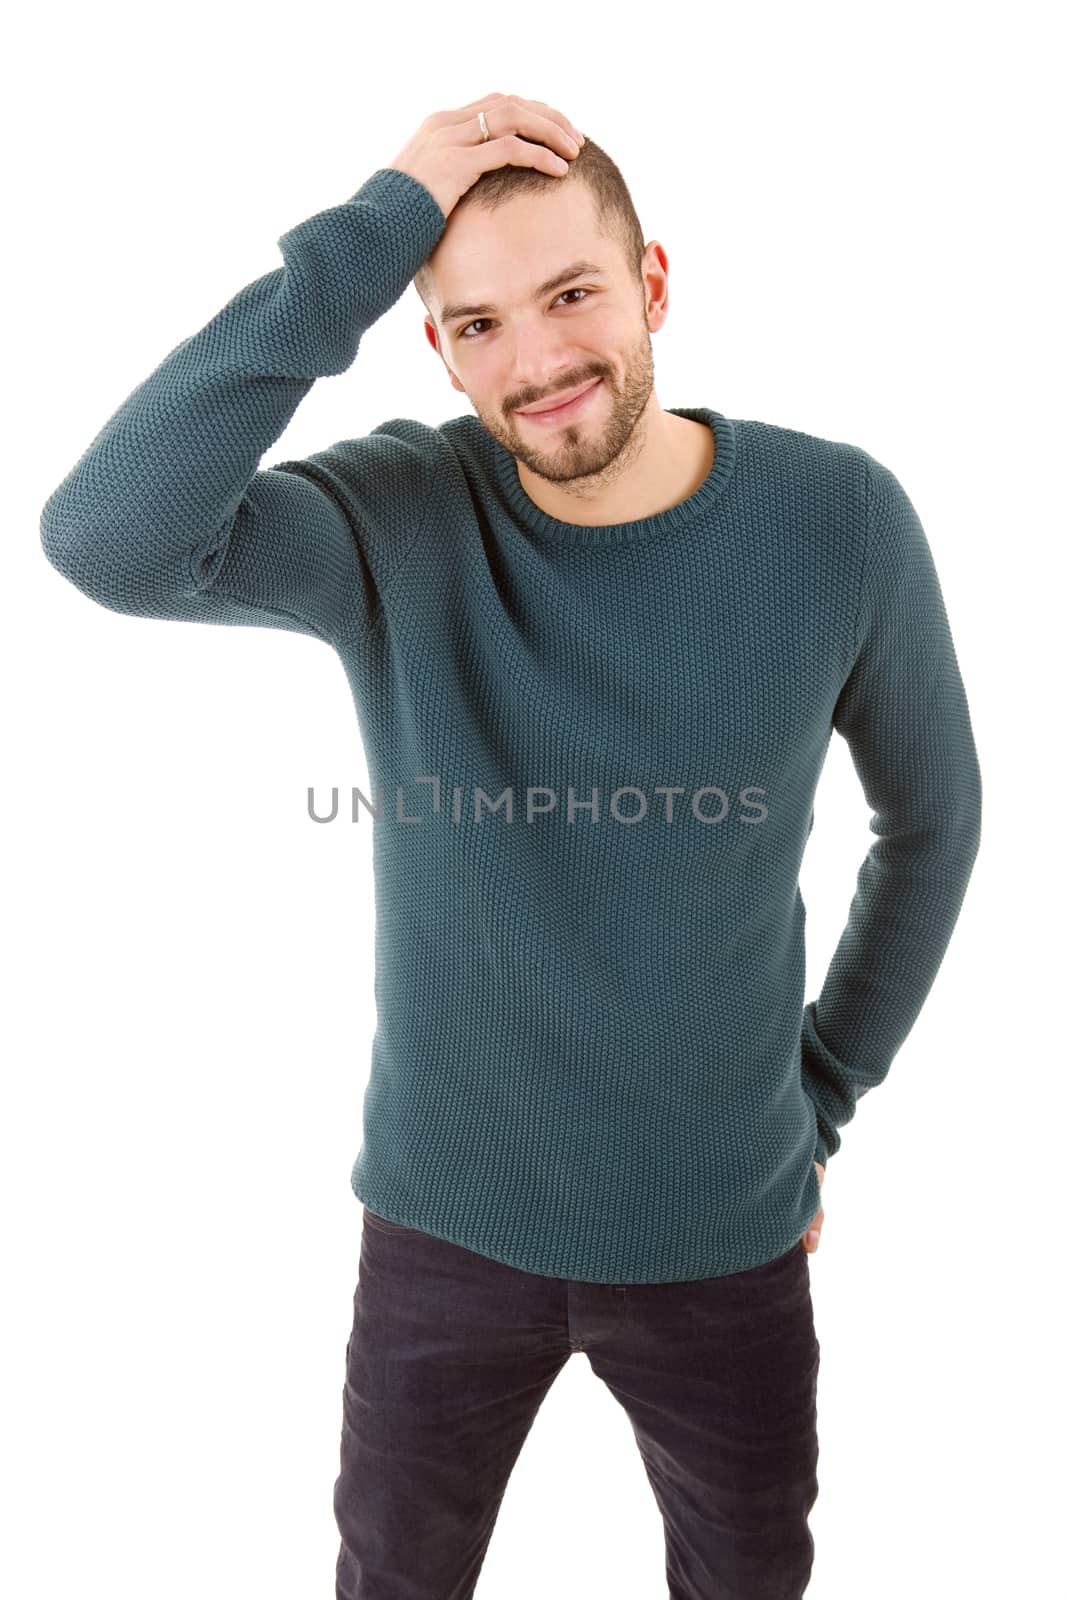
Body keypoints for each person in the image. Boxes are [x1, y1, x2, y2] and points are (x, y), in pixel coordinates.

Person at [40, 92, 982, 1599]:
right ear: (433, 345)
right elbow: (107, 535)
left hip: (725, 1229)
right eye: (475, 323)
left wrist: (825, 1094)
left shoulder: (839, 519)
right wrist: (373, 231)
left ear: (653, 283)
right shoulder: (398, 514)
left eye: (569, 295)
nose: (535, 363)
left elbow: (933, 823)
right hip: (441, 1229)